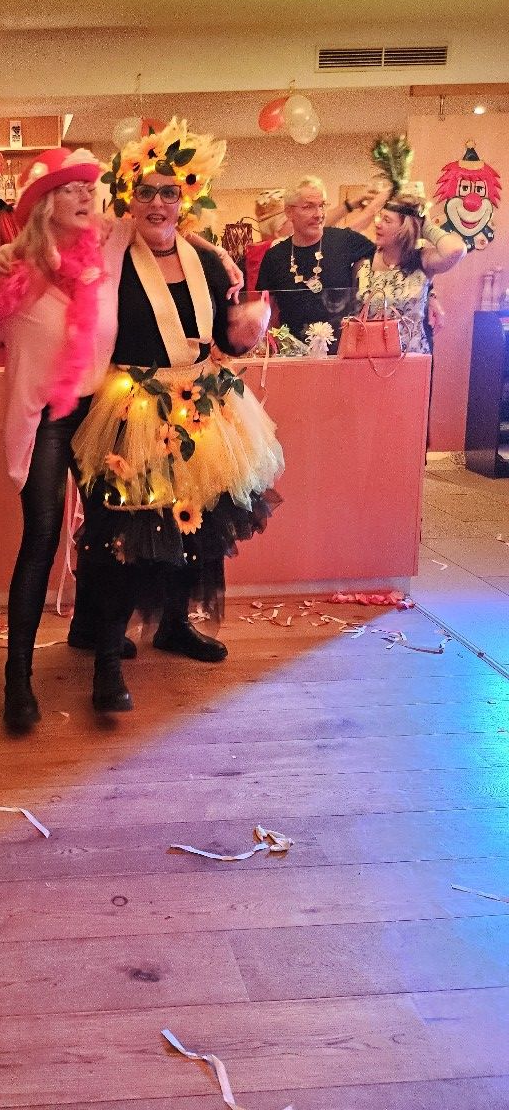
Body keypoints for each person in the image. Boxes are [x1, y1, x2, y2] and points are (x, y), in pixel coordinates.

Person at [70, 120, 284, 714]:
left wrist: (243, 336)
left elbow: (220, 339)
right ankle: (106, 657)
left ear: (186, 196)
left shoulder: (208, 264)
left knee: (196, 523)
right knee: (124, 532)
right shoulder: (111, 257)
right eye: (146, 191)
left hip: (201, 403)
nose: (158, 202)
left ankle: (173, 624)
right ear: (128, 197)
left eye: (170, 191)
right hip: (129, 404)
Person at [0, 147, 128, 733]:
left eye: (88, 187)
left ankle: (108, 668)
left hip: (99, 412)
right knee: (41, 536)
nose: (84, 195)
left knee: (108, 537)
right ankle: (17, 679)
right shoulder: (15, 271)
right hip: (45, 416)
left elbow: (166, 224)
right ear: (45, 203)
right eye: (70, 188)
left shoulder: (109, 249)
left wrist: (218, 254)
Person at [255, 176, 375, 341]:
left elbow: (386, 259)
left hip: (343, 350)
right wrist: (283, 344)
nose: (318, 214)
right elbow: (268, 318)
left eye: (322, 205)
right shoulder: (274, 257)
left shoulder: (345, 240)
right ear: (289, 212)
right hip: (293, 352)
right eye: (308, 207)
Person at [354, 189, 466, 353]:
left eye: (387, 220)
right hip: (371, 357)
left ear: (405, 228)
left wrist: (425, 227)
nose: (378, 224)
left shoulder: (422, 260)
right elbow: (342, 238)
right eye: (380, 217)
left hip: (413, 356)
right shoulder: (364, 261)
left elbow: (456, 250)